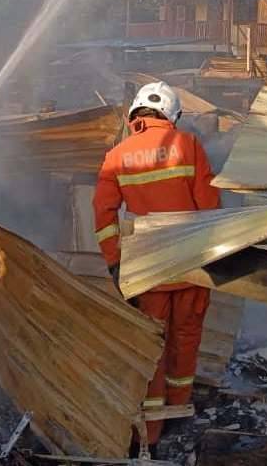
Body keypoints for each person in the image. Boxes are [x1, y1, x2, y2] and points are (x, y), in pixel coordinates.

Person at [93, 82, 220, 452]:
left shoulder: (116, 155)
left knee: (152, 347)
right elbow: (210, 209)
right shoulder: (189, 146)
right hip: (192, 267)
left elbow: (103, 216)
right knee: (186, 340)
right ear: (171, 114)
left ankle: (149, 432)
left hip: (146, 272)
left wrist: (116, 263)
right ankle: (178, 416)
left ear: (135, 114)